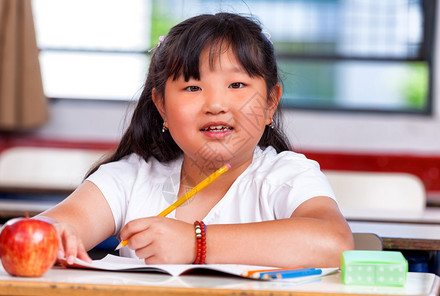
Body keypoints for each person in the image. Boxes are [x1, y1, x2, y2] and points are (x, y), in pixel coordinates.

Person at [38, 12, 354, 268]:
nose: (216, 105)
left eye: (237, 84)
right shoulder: (131, 177)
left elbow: (333, 242)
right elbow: (51, 227)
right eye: (192, 88)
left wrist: (195, 243)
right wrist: (53, 235)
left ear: (271, 103)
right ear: (161, 105)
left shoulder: (286, 177)